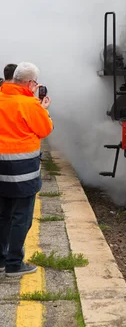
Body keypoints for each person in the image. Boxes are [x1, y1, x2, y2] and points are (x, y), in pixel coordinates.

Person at [0, 62, 53, 276]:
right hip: (23, 171)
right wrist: (42, 109)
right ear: (30, 83)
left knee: (2, 215)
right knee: (21, 216)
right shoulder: (30, 104)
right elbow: (45, 129)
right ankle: (14, 264)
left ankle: (1, 260)